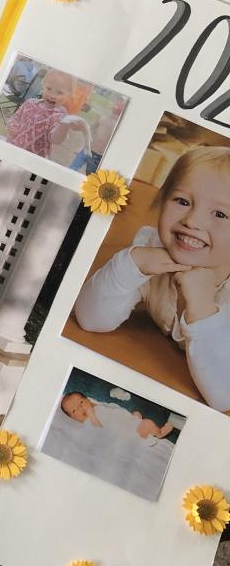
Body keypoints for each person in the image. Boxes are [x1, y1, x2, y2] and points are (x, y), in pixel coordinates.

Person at [74, 144, 230, 411]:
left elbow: (223, 395)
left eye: (221, 214)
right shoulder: (150, 250)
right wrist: (131, 265)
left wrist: (203, 306)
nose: (192, 221)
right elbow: (91, 319)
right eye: (182, 201)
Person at [5, 68, 90, 161]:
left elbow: (55, 139)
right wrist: (12, 126)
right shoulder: (30, 103)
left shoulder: (59, 116)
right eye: (49, 88)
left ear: (69, 96)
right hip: (12, 148)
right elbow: (15, 118)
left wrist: (64, 125)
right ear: (43, 86)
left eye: (60, 92)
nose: (52, 95)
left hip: (32, 159)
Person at [60, 391, 174, 441]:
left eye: (81, 402)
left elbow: (112, 410)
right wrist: (91, 415)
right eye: (74, 410)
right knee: (147, 423)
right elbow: (99, 431)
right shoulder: (89, 422)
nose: (80, 408)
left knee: (136, 413)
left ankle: (140, 425)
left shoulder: (96, 407)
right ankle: (159, 433)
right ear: (73, 419)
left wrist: (93, 407)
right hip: (127, 434)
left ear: (88, 400)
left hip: (127, 423)